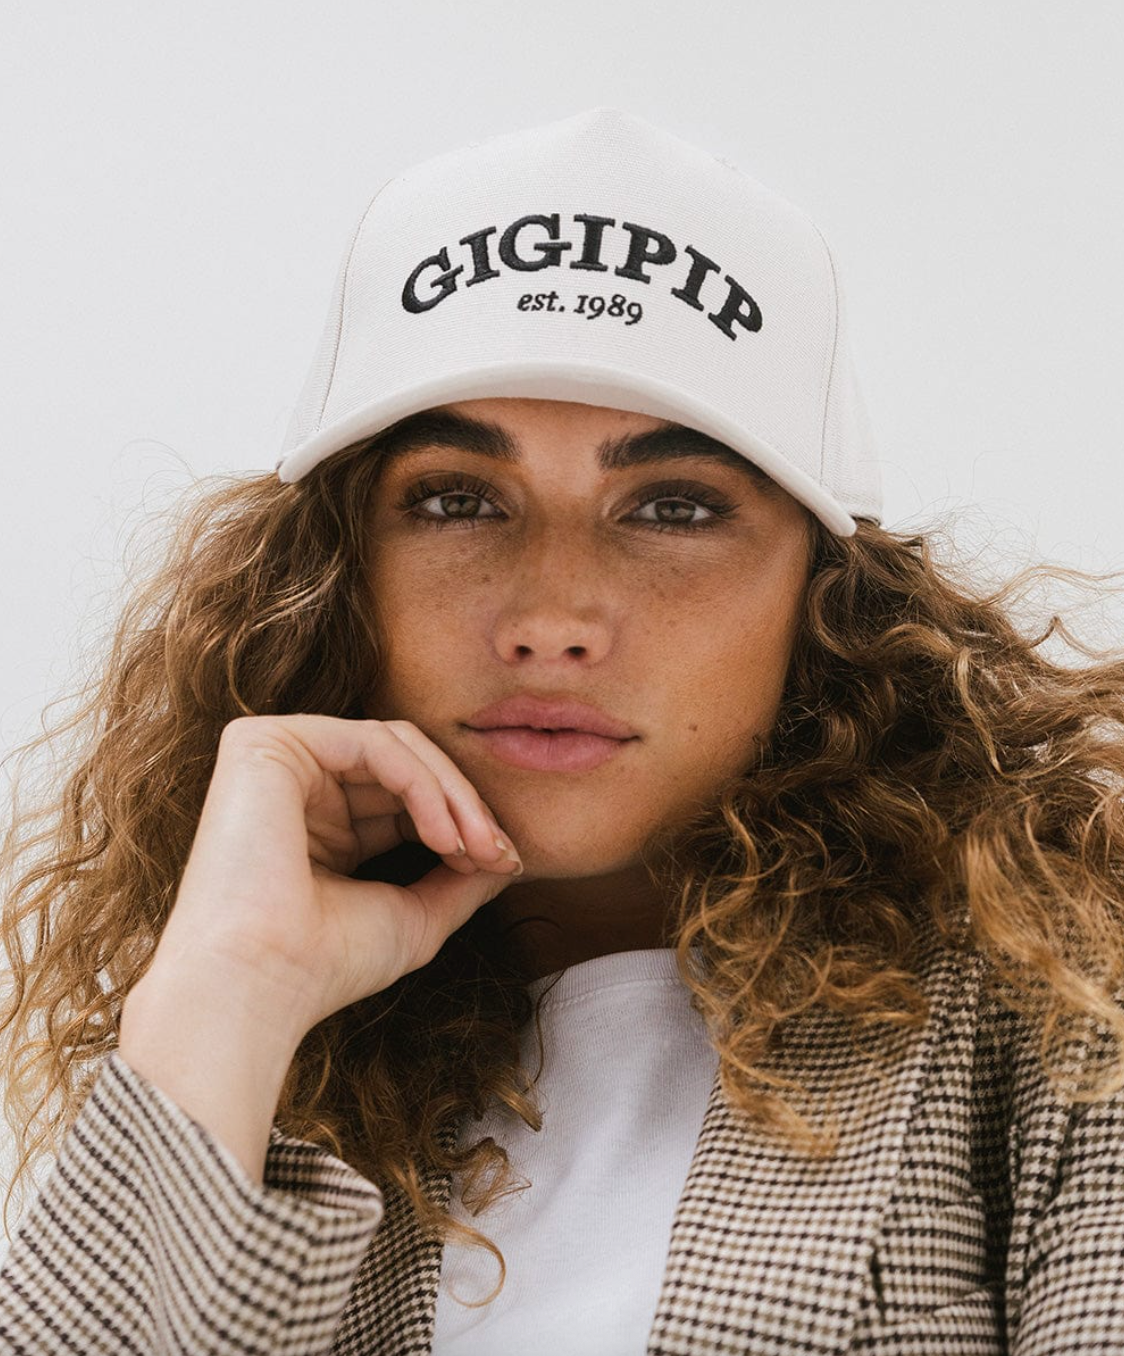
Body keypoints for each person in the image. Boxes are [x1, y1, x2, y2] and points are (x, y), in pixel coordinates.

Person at [1, 106, 1123, 1356]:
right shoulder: (286, 1092)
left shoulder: (1064, 1017)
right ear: (333, 573)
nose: (550, 619)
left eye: (673, 507)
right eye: (456, 500)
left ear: (825, 594)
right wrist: (225, 993)